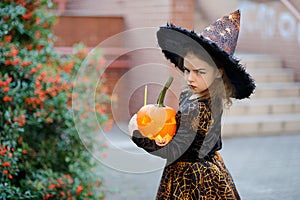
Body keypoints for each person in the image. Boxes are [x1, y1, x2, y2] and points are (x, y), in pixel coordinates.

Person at [128, 10, 255, 200]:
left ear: (218, 72)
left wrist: (138, 135)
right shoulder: (196, 96)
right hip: (202, 168)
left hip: (194, 180)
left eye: (199, 72)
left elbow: (175, 150)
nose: (190, 78)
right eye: (187, 70)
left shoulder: (201, 108)